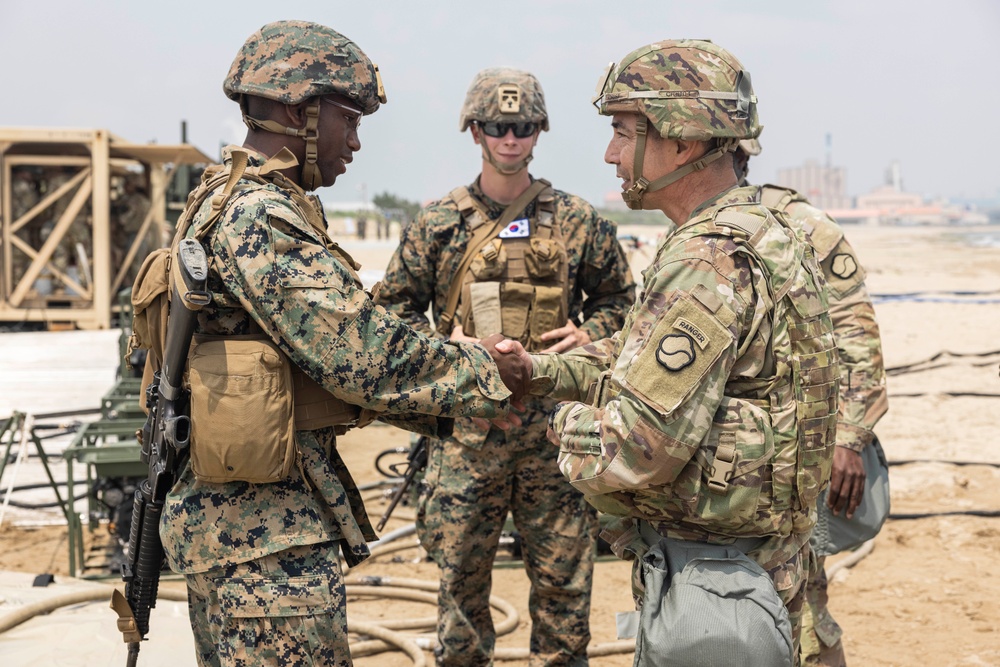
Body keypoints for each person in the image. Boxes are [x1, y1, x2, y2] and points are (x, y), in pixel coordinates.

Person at [155, 21, 526, 667]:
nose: (355, 142)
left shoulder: (223, 198)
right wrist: (488, 371)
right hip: (266, 548)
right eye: (347, 119)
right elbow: (362, 355)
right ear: (300, 112)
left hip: (241, 535)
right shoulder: (260, 214)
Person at [489, 39, 839, 665]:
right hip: (758, 568)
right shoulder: (764, 230)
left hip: (716, 580)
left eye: (624, 132)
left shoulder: (706, 261)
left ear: (683, 140)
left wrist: (560, 427)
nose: (610, 153)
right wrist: (537, 370)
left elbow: (635, 452)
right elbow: (632, 362)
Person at [377, 67, 635, 666]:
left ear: (539, 131)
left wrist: (587, 332)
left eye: (521, 127)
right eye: (498, 126)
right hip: (468, 438)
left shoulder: (577, 222)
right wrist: (448, 350)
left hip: (556, 437)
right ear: (475, 131)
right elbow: (389, 315)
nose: (510, 138)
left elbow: (624, 303)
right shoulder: (438, 223)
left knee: (565, 599)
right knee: (460, 601)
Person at [735, 138, 889, 667]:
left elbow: (857, 339)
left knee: (800, 617)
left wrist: (848, 439)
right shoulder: (691, 229)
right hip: (713, 469)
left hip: (789, 465)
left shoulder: (798, 224)